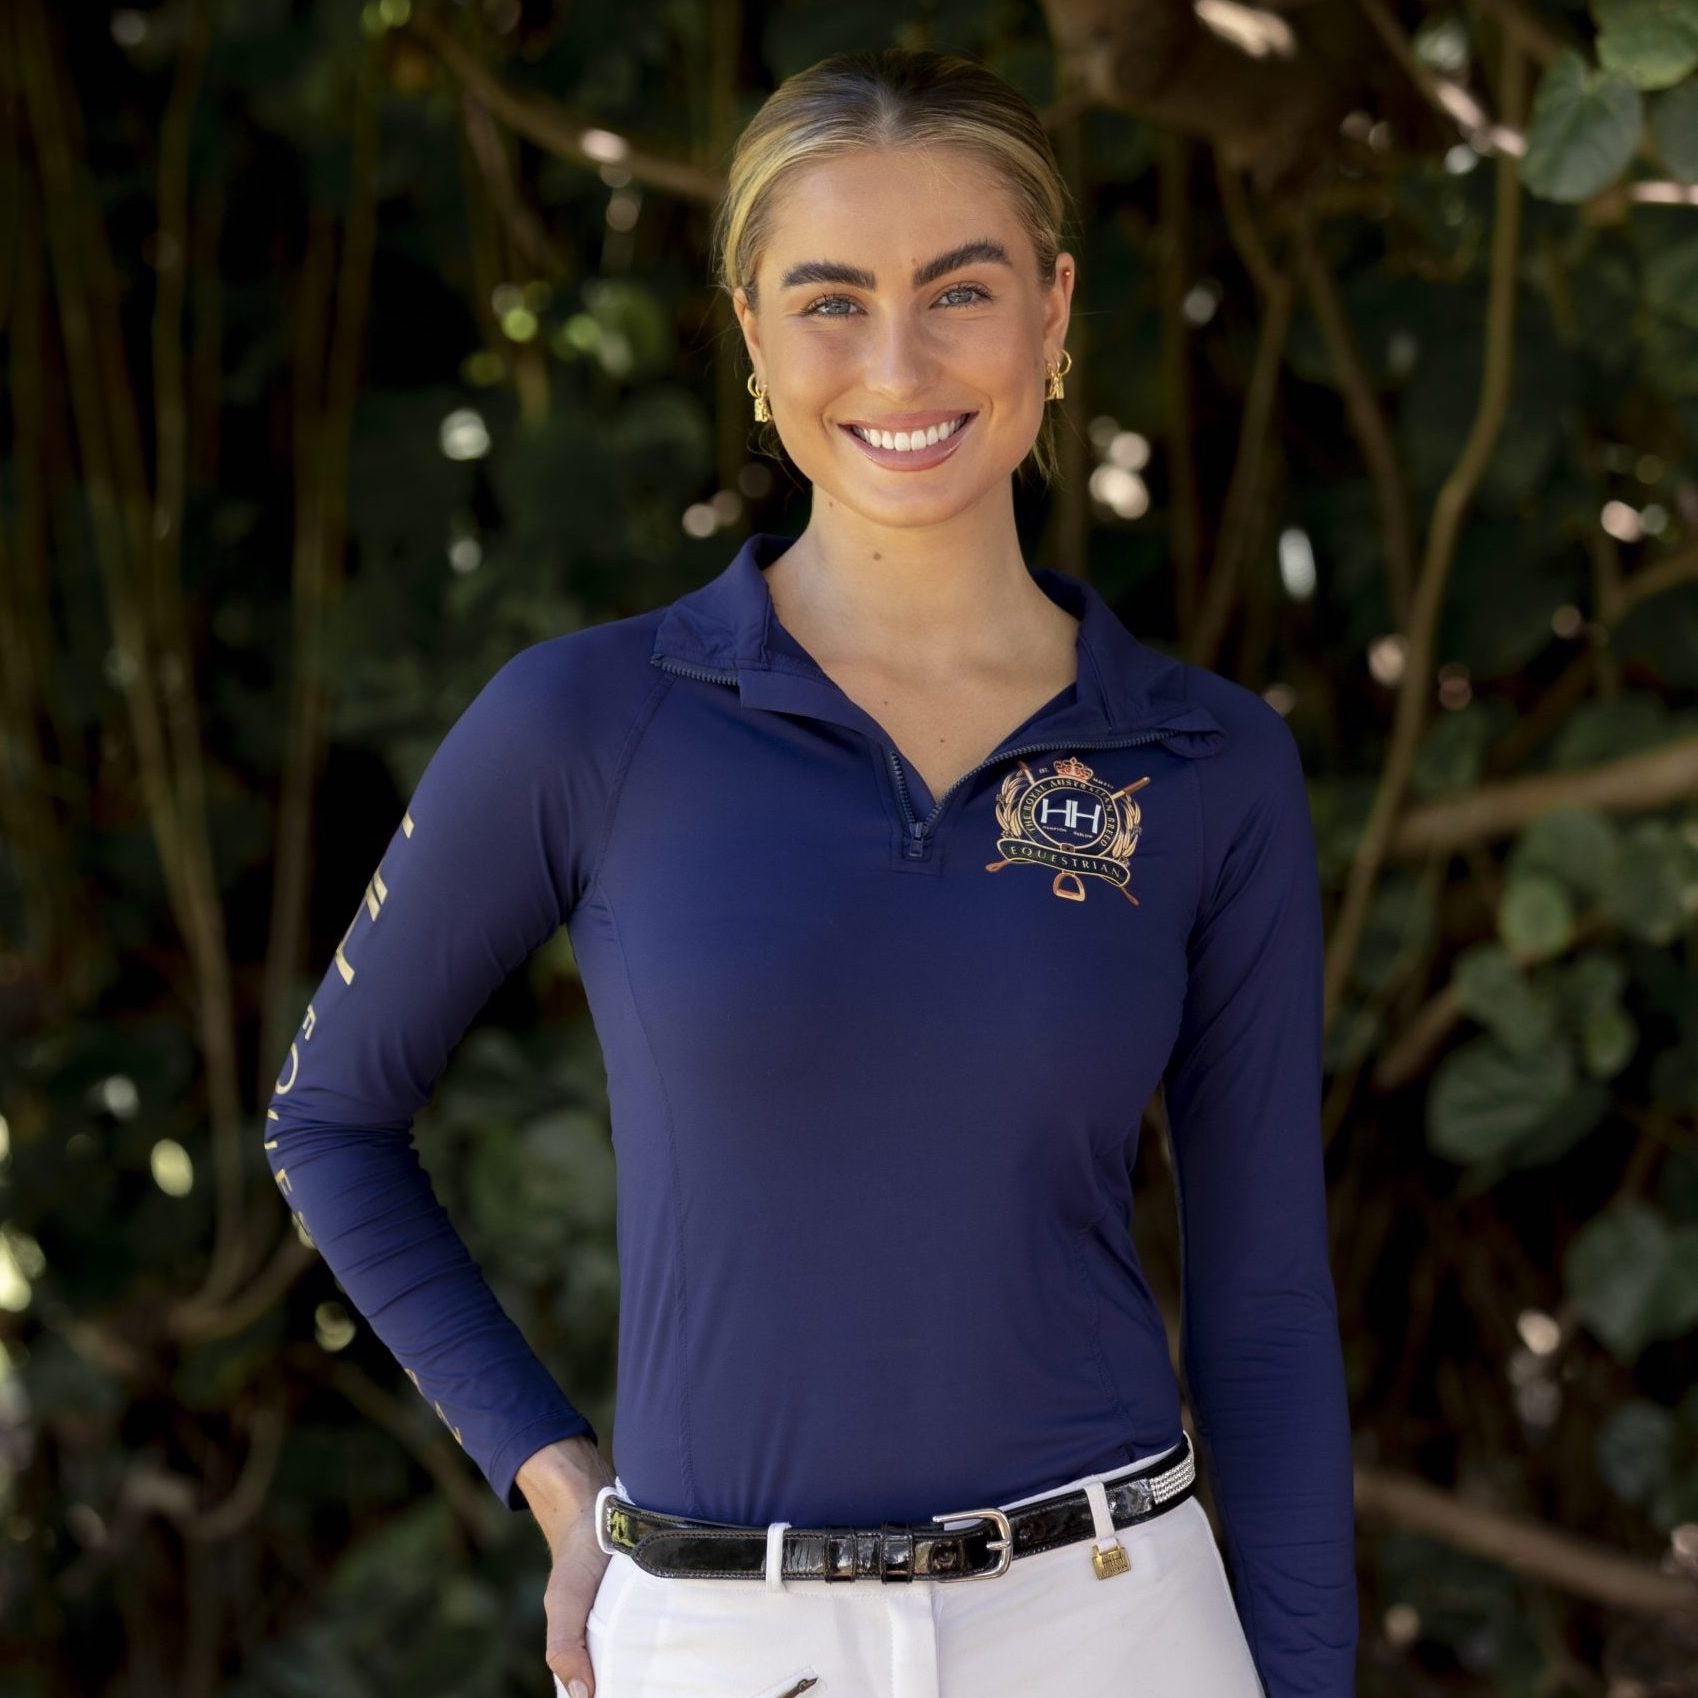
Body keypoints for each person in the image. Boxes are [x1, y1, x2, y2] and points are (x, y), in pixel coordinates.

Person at [263, 44, 1358, 1698]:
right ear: (753, 334)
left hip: (1115, 1622)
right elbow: (328, 1117)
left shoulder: (1201, 762)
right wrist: (556, 1479)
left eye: (961, 290)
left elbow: (1264, 1305)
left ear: (1054, 318)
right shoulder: (591, 719)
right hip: (720, 1638)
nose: (899, 359)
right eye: (831, 298)